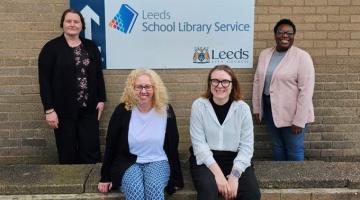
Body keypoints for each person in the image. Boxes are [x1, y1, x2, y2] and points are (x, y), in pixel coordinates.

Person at [98, 69, 184, 199]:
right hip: (128, 162)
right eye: (139, 87)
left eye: (148, 86)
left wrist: (176, 178)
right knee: (135, 190)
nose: (143, 91)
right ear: (131, 89)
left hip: (158, 161)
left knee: (154, 188)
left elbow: (173, 146)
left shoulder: (165, 110)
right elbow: (111, 144)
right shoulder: (122, 110)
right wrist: (105, 177)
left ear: (155, 88)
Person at [38, 9, 106, 164]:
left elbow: (97, 75)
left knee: (91, 150)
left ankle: (90, 185)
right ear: (62, 24)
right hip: (63, 110)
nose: (72, 24)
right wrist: (49, 110)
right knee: (67, 151)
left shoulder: (90, 46)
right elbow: (44, 82)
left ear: (82, 25)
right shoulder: (51, 48)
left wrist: (101, 99)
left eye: (76, 21)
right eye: (69, 21)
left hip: (89, 109)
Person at [189, 65, 261, 200]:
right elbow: (199, 146)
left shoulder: (242, 108)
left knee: (252, 195)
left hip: (235, 159)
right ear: (209, 83)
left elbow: (246, 147)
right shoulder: (199, 106)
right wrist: (219, 176)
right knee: (208, 193)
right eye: (215, 81)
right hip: (205, 160)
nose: (219, 85)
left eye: (225, 81)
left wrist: (234, 176)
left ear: (232, 85)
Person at [252, 18, 315, 161]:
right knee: (277, 146)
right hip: (269, 109)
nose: (285, 35)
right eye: (281, 32)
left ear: (293, 36)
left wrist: (299, 120)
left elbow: (306, 91)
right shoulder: (265, 54)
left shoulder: (302, 57)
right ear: (275, 35)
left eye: (289, 33)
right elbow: (257, 81)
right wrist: (257, 108)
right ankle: (279, 181)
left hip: (292, 112)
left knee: (294, 148)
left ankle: (296, 181)